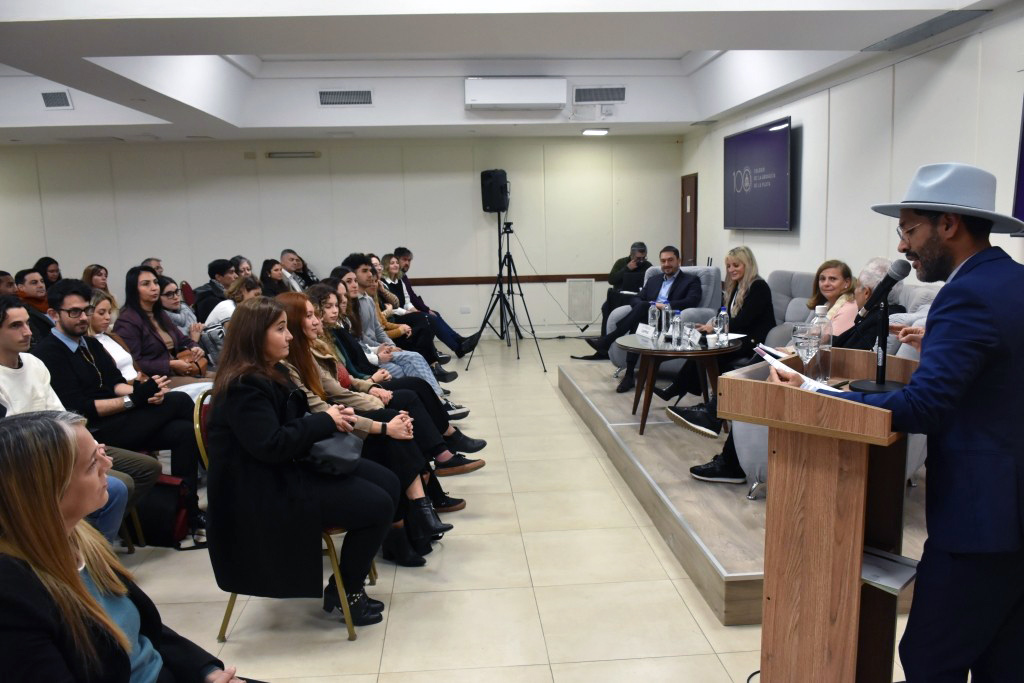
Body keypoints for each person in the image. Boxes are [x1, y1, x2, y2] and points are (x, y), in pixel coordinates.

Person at [769, 162, 1024, 682]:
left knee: (929, 657)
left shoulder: (965, 295)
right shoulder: (1012, 282)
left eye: (909, 230)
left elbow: (927, 406)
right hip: (1012, 516)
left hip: (981, 520)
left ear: (948, 224)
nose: (903, 248)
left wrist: (820, 393)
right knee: (1004, 661)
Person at [0, 411, 257, 682]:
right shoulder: (13, 594)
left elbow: (144, 632)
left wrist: (206, 671)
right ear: (46, 491)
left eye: (101, 451)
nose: (108, 464)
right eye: (92, 463)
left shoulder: (83, 539)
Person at [206, 297, 399, 625]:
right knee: (377, 504)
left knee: (388, 482)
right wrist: (325, 421)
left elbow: (294, 423)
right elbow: (270, 445)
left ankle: (345, 584)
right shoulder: (243, 385)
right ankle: (347, 590)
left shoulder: (273, 370)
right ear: (255, 336)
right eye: (281, 329)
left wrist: (335, 416)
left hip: (285, 467)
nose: (290, 336)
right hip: (261, 489)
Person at [277, 292, 458, 562]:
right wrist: (382, 421)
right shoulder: (288, 364)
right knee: (392, 432)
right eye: (310, 315)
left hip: (336, 419)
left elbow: (339, 388)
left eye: (316, 314)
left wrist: (375, 401)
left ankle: (416, 518)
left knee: (397, 420)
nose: (317, 320)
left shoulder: (308, 351)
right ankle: (418, 513)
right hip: (319, 441)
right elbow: (322, 408)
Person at [30, 279, 204, 536]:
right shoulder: (48, 353)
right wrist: (135, 399)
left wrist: (146, 392)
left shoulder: (90, 343)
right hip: (93, 431)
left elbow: (116, 384)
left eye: (86, 310)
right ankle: (216, 464)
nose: (83, 317)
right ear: (54, 314)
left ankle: (188, 511)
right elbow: (80, 409)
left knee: (183, 431)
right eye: (74, 312)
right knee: (178, 402)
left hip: (119, 419)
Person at [0, 298, 138, 543]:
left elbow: (60, 414)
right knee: (116, 487)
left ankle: (84, 547)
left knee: (127, 478)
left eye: (28, 323)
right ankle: (81, 550)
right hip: (29, 465)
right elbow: (12, 444)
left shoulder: (33, 363)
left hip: (60, 449)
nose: (28, 332)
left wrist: (91, 447)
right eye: (15, 326)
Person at [661, 246, 775, 436]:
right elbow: (723, 313)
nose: (731, 270)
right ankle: (702, 401)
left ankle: (695, 398)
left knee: (710, 349)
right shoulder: (736, 285)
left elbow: (744, 321)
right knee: (703, 343)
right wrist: (711, 324)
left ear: (748, 264)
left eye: (736, 265)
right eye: (728, 266)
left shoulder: (758, 287)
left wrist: (715, 328)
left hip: (753, 341)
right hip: (735, 336)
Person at [586, 246, 702, 393]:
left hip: (669, 321)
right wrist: (648, 305)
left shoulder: (691, 280)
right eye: (663, 261)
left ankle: (610, 343)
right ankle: (628, 374)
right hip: (648, 317)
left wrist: (664, 306)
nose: (666, 264)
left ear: (679, 261)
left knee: (642, 311)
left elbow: (692, 300)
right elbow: (636, 298)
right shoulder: (654, 280)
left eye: (670, 260)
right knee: (640, 317)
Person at [113, 267, 208, 385]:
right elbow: (133, 362)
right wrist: (170, 364)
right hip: (155, 380)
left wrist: (195, 347)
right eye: (146, 284)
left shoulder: (160, 314)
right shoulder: (127, 321)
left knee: (225, 379)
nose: (154, 288)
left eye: (156, 282)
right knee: (213, 386)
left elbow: (183, 340)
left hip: (179, 370)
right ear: (134, 289)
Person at [393, 247, 480, 358]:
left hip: (407, 310)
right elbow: (410, 298)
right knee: (431, 317)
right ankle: (458, 347)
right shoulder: (396, 278)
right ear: (397, 260)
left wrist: (425, 309)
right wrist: (424, 310)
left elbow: (411, 297)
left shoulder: (403, 277)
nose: (407, 263)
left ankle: (459, 340)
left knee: (435, 314)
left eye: (409, 260)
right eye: (404, 260)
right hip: (400, 314)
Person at [586, 241, 653, 355]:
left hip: (636, 297)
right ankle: (604, 342)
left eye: (644, 258)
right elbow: (611, 279)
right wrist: (626, 269)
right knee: (606, 307)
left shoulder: (648, 266)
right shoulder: (621, 262)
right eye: (638, 258)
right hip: (619, 296)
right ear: (631, 255)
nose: (641, 261)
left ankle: (615, 342)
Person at [831, 257, 908, 351]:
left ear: (866, 293)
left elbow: (848, 352)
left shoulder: (877, 319)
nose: (854, 292)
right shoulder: (888, 312)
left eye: (857, 286)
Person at [806, 259, 857, 336]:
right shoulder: (826, 305)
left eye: (833, 279)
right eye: (822, 279)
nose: (826, 284)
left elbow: (832, 341)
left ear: (847, 282)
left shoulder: (850, 307)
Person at [14, 268, 54, 346]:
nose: (41, 285)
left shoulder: (53, 303)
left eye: (42, 281)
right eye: (34, 283)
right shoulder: (20, 309)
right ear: (21, 287)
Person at [159, 276, 203, 343]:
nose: (176, 297)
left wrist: (200, 328)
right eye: (169, 294)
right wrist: (194, 340)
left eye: (176, 292)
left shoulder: (185, 309)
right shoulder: (160, 322)